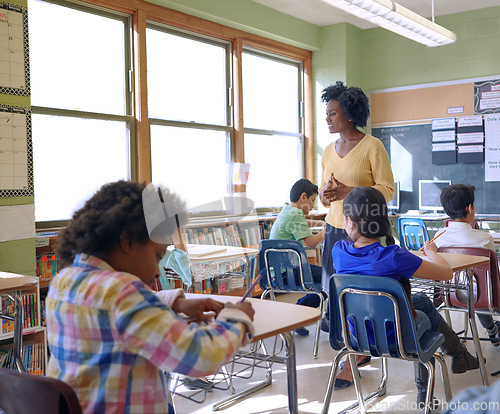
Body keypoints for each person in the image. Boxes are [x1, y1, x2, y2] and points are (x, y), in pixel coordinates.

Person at [46, 180, 255, 414]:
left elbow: (112, 313)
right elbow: (202, 356)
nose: (157, 271)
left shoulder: (64, 281)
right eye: (158, 256)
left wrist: (176, 302)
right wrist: (236, 318)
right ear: (128, 242)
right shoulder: (122, 293)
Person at [330, 186, 480, 408]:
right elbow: (446, 273)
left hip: (356, 337)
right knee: (425, 317)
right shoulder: (395, 256)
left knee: (421, 302)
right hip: (396, 338)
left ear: (350, 222)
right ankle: (427, 391)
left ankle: (459, 355)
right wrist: (431, 252)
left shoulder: (338, 251)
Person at [318, 81, 395, 330]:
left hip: (366, 229)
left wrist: (349, 191)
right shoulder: (328, 151)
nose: (327, 119)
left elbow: (387, 191)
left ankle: (365, 337)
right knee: (334, 287)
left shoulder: (373, 146)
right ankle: (341, 336)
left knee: (364, 290)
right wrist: (325, 195)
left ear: (349, 115)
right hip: (335, 227)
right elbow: (323, 191)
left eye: (333, 113)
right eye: (326, 114)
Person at [434, 183, 500, 345]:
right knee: (480, 286)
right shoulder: (484, 239)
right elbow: (492, 276)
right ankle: (493, 331)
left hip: (450, 296)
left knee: (474, 287)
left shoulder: (439, 237)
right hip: (484, 297)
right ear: (470, 208)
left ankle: (492, 330)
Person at [261, 178, 326, 336]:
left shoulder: (287, 211)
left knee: (325, 281)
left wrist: (321, 224)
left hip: (275, 274)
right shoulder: (296, 214)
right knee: (330, 278)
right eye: (312, 200)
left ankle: (297, 316)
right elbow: (311, 243)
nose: (312, 206)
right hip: (290, 272)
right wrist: (328, 230)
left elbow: (301, 222)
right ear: (303, 197)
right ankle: (300, 315)